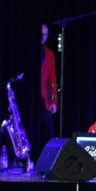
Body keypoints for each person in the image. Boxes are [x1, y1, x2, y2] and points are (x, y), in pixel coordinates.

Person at [34, 22, 59, 154]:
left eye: (46, 34)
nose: (43, 37)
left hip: (44, 100)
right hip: (31, 100)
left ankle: (47, 158)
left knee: (49, 132)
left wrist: (54, 101)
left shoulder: (49, 53)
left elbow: (52, 80)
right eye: (41, 34)